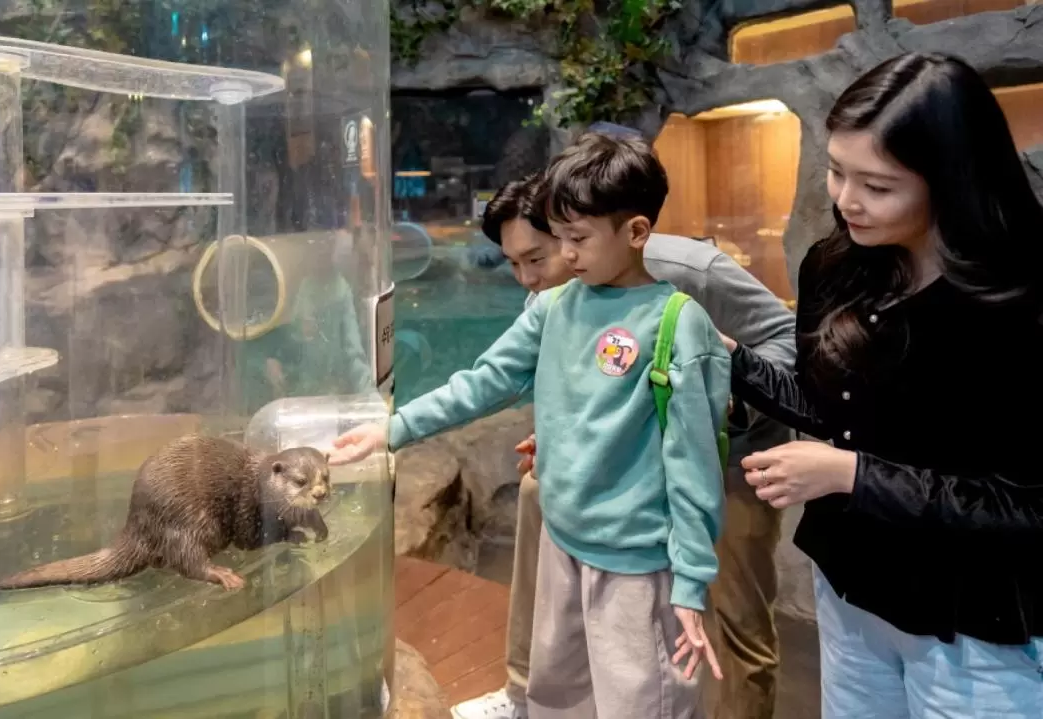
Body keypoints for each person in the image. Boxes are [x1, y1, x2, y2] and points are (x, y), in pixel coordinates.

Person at [331, 133, 729, 717]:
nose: (566, 256)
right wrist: (393, 429)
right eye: (559, 239)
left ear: (637, 232)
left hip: (638, 563)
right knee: (554, 695)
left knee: (641, 702)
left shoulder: (677, 324)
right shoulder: (553, 308)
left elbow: (693, 461)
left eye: (579, 239)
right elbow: (482, 381)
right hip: (563, 541)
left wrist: (691, 581)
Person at [721, 52, 1043, 718]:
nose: (845, 200)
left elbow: (1027, 504)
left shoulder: (1018, 304)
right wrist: (733, 362)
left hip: (973, 624)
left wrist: (851, 474)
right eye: (836, 171)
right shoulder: (837, 266)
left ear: (951, 180)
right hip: (852, 589)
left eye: (877, 183)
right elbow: (836, 409)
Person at [454, 169, 797, 719]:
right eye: (513, 263)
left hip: (731, 456)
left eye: (540, 257)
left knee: (734, 619)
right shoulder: (559, 295)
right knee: (537, 505)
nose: (527, 278)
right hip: (622, 480)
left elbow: (786, 338)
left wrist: (721, 398)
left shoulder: (691, 272)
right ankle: (527, 693)